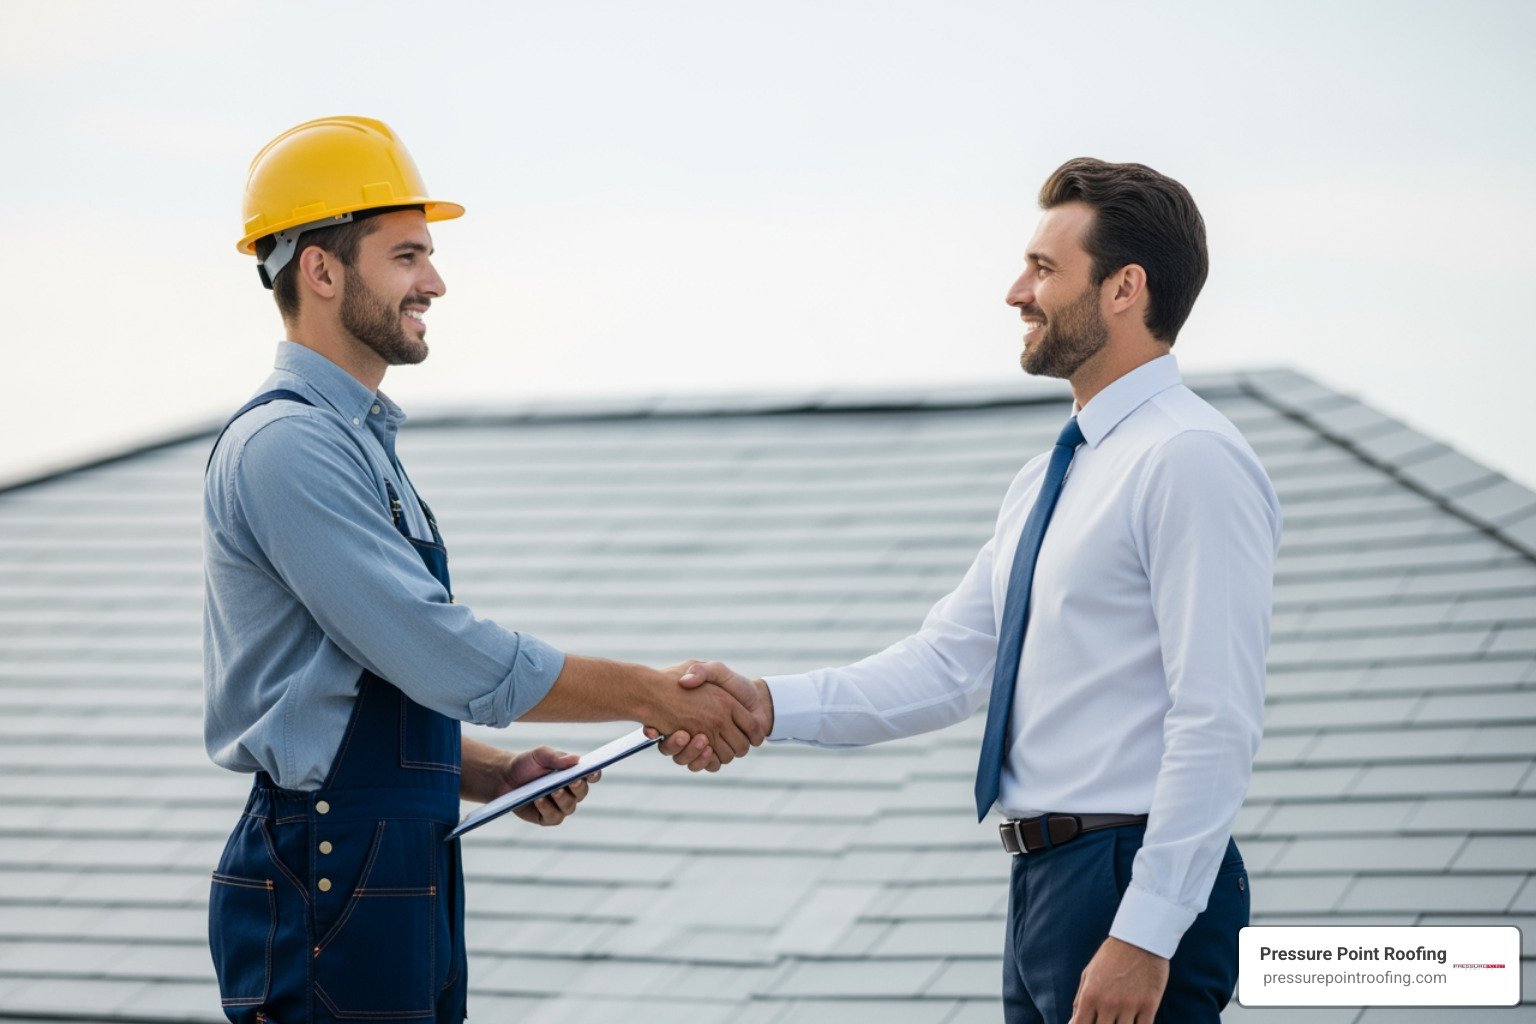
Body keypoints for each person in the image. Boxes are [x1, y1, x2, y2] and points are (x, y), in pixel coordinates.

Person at [679, 157, 1281, 1023]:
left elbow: (1216, 716)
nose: (1015, 293)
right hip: (1046, 884)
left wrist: (1146, 932)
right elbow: (950, 666)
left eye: (1043, 269)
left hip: (1126, 882)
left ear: (1125, 289)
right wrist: (767, 704)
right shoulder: (1049, 476)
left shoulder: (1190, 459)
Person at [203, 116, 757, 1024]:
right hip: (330, 868)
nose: (435, 281)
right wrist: (651, 693)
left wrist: (490, 775)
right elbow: (435, 651)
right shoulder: (289, 447)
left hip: (387, 853)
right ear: (321, 270)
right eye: (407, 255)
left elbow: (352, 687)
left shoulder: (355, 444)